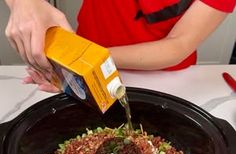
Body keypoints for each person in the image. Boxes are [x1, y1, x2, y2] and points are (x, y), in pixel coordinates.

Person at [4, 0, 236, 92]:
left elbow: (178, 45)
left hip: (168, 81)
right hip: (88, 64)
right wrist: (23, 3)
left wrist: (88, 58)